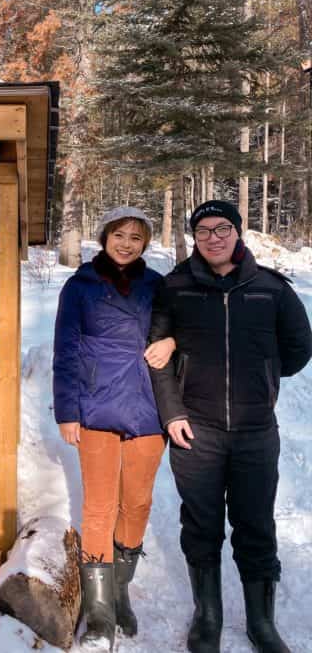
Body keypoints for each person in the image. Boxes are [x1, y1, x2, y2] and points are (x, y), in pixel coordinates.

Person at [147, 199, 312, 653]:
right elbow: (157, 357)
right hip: (195, 431)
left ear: (238, 233)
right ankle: (208, 617)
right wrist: (172, 413)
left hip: (256, 431)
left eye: (222, 229)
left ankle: (262, 622)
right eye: (203, 231)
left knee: (255, 523)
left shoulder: (271, 288)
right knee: (201, 525)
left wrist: (262, 378)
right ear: (194, 238)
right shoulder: (175, 288)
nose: (214, 238)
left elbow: (299, 347)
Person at [53, 206, 174, 649]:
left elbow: (179, 330)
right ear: (105, 237)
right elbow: (65, 351)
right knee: (100, 506)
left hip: (146, 409)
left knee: (137, 504)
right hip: (96, 408)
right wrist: (67, 411)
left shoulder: (157, 286)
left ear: (145, 244)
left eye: (136, 237)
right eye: (119, 234)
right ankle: (100, 608)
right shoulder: (79, 286)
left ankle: (121, 589)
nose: (126, 243)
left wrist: (172, 340)